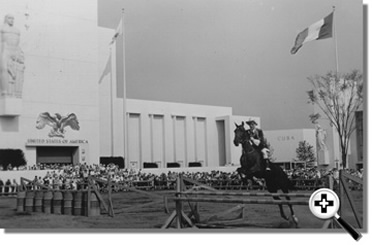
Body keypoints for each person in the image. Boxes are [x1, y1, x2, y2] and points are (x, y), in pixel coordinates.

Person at [0, 14, 23, 97]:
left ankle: (13, 91)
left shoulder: (16, 30)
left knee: (15, 71)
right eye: (10, 18)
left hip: (14, 50)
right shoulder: (2, 28)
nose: (12, 20)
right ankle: (4, 90)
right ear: (6, 19)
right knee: (4, 69)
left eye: (13, 18)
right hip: (5, 49)